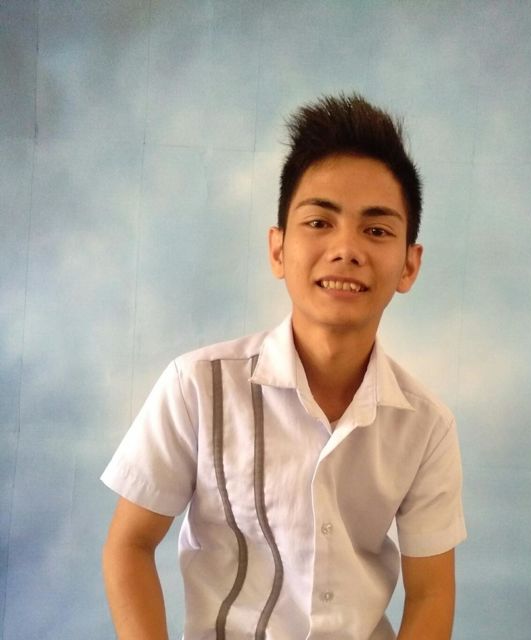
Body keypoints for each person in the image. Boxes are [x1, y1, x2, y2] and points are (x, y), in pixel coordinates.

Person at [101, 93, 466, 640]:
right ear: (278, 249)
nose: (346, 249)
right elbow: (129, 546)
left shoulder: (426, 426)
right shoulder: (197, 388)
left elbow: (432, 591)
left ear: (409, 265)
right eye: (319, 221)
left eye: (376, 230)